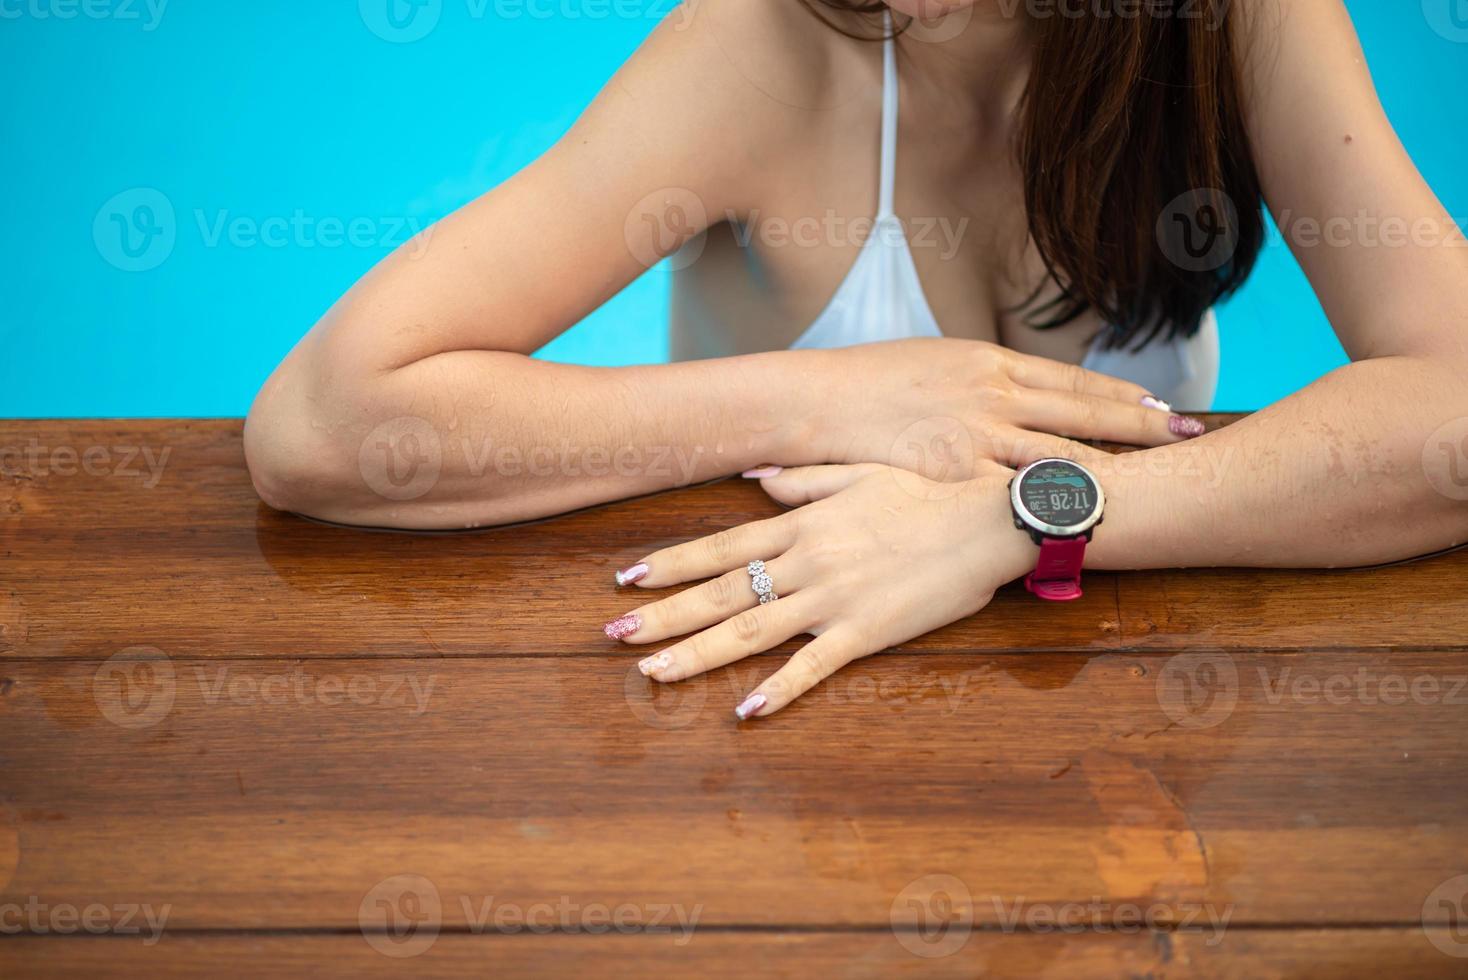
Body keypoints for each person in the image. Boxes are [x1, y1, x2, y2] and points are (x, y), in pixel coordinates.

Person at [243, 0, 1468, 719]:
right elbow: (322, 421)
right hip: (781, 703)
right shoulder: (761, 51)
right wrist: (831, 393)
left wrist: (1023, 518)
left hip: (1106, 707)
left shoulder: (1235, 27)